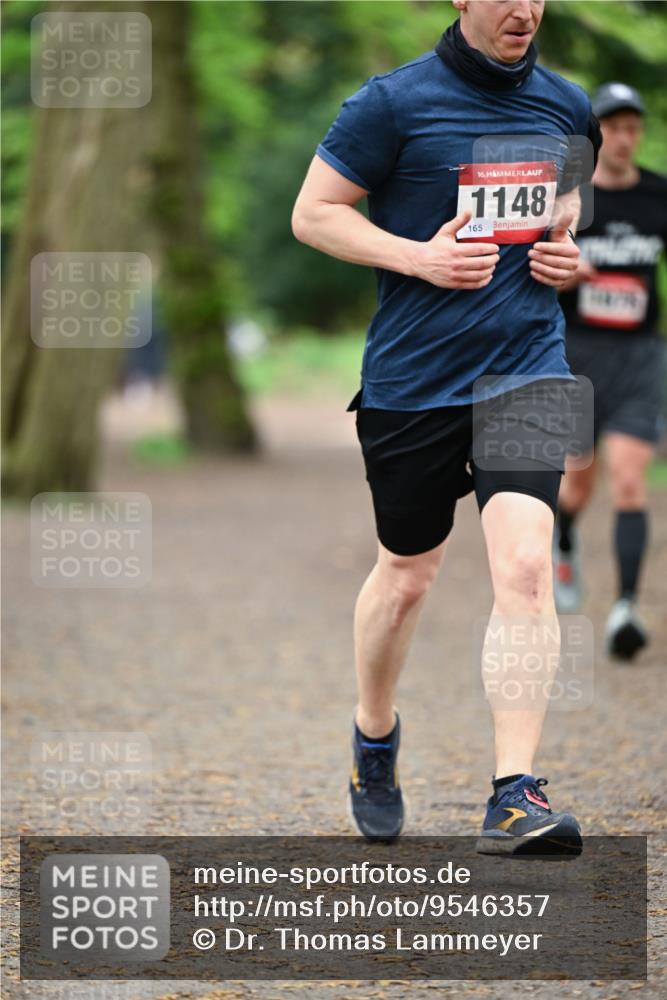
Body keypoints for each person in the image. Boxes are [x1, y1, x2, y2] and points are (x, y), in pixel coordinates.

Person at [292, 0, 600, 854]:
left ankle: (514, 795)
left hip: (525, 369)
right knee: (407, 576)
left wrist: (567, 259)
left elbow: (566, 214)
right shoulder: (389, 104)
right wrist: (416, 255)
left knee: (528, 569)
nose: (524, 9)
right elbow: (313, 214)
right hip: (414, 382)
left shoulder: (567, 107)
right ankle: (374, 734)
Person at [554, 83, 667, 660]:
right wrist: (570, 269)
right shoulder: (570, 198)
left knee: (628, 482)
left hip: (641, 357)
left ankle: (625, 608)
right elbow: (536, 268)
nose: (623, 138)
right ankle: (563, 533)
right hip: (578, 355)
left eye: (631, 126)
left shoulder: (658, 195)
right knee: (579, 482)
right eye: (611, 127)